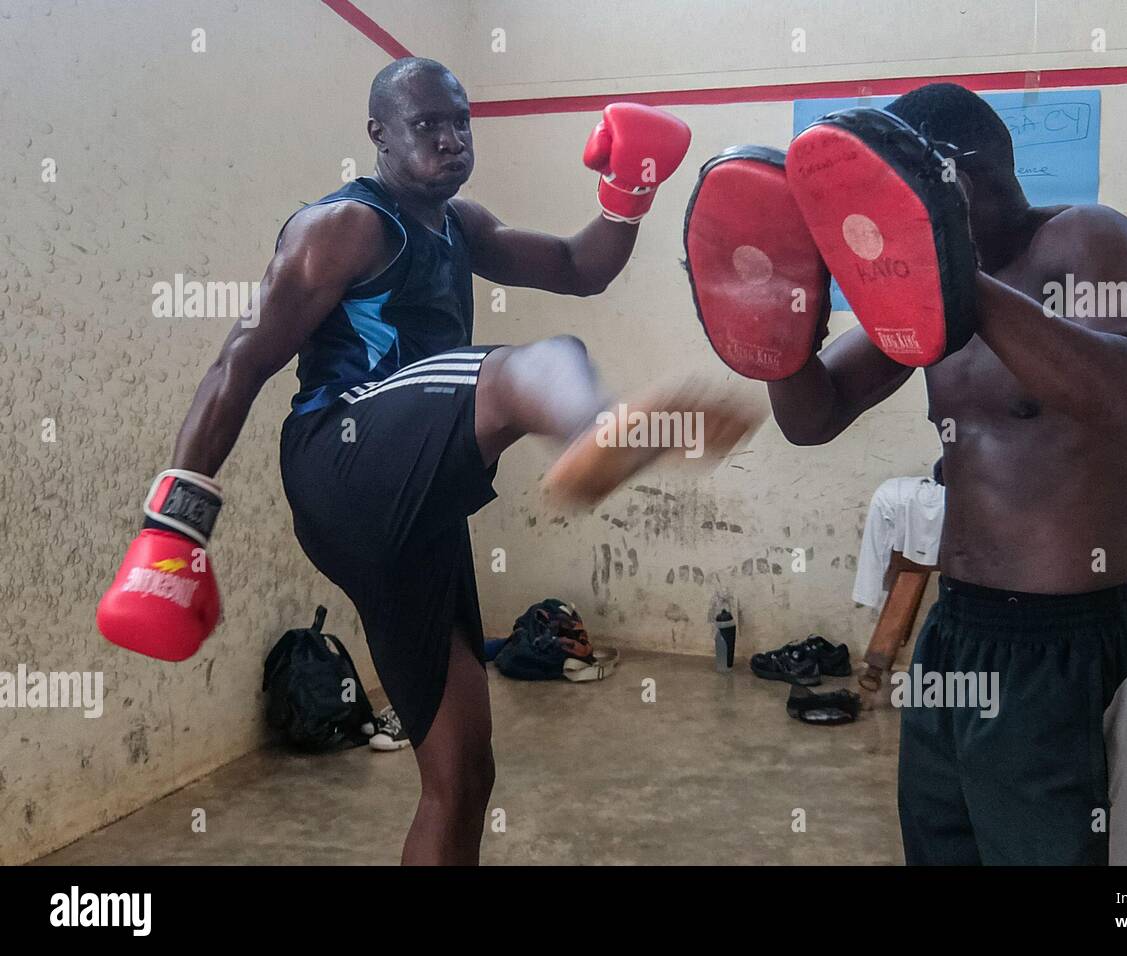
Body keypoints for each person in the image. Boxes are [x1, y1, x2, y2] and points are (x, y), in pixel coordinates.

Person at [98, 57, 750, 865]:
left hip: (416, 514)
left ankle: (593, 433)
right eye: (426, 126)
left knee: (464, 773)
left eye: (460, 123)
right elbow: (240, 362)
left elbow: (582, 268)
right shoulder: (344, 227)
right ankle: (598, 432)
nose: (449, 141)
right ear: (378, 135)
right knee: (532, 364)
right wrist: (173, 527)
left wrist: (629, 190)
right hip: (340, 455)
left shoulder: (460, 224)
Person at [689, 82, 1127, 864]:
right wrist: (776, 327)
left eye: (896, 201)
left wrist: (950, 266)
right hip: (955, 639)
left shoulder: (1087, 240)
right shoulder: (927, 294)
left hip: (1070, 649)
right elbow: (814, 418)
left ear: (963, 177)